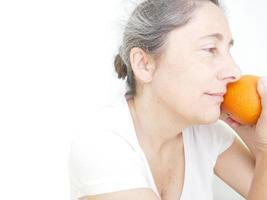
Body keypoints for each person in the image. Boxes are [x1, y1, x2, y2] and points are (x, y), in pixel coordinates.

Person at [68, 0, 267, 199]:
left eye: (227, 50)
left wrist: (260, 144)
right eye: (210, 49)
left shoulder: (207, 132)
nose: (235, 71)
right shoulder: (101, 142)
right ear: (144, 64)